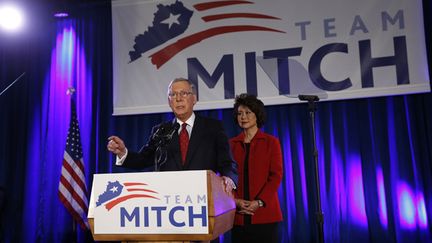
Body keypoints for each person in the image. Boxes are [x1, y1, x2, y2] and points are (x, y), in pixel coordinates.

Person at [107, 77, 238, 192]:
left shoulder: (213, 127)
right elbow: (143, 159)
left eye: (184, 93)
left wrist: (229, 178)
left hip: (204, 197)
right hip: (170, 200)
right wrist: (123, 152)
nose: (179, 98)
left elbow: (227, 162)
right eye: (173, 95)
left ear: (194, 99)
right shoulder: (161, 131)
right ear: (169, 101)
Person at [229, 93, 283, 243]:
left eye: (248, 113)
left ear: (257, 115)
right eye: (239, 113)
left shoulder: (271, 142)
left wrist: (259, 202)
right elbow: (226, 179)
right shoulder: (231, 144)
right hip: (238, 216)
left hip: (265, 214)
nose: (243, 117)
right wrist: (235, 201)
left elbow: (276, 176)